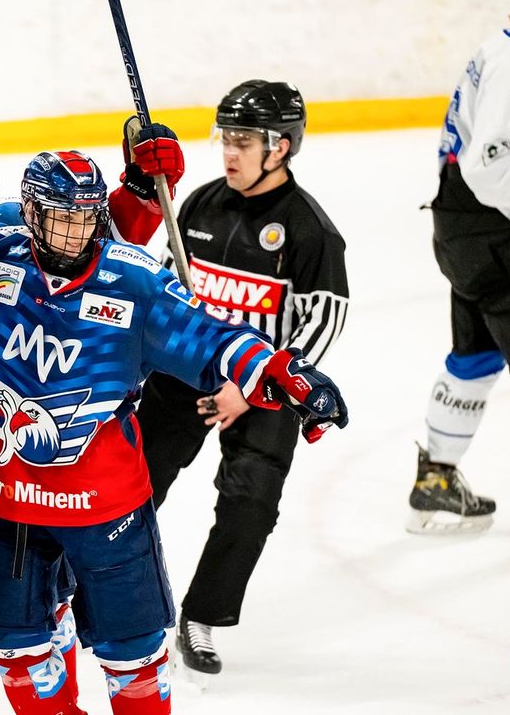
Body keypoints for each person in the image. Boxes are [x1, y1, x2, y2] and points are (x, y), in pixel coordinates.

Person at [0, 145, 347, 714]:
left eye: (85, 216)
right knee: (16, 647)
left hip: (105, 505)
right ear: (30, 215)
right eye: (60, 217)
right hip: (7, 505)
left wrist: (277, 369)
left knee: (134, 659)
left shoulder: (134, 280)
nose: (75, 233)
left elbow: (209, 335)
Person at [132, 80, 349, 677]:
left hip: (266, 389)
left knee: (250, 504)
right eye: (226, 137)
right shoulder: (201, 204)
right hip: (185, 375)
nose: (229, 152)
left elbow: (321, 327)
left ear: (280, 147)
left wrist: (252, 387)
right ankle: (100, 594)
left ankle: (201, 615)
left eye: (244, 140)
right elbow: (163, 287)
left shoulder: (311, 234)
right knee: (135, 485)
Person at [405, 0, 510, 535]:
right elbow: (492, 165)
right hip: (493, 227)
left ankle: (436, 481)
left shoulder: (501, 47)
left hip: (466, 225)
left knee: (477, 353)